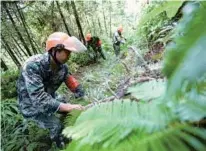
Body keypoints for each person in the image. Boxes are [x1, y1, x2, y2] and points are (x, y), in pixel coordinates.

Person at [17, 32, 87, 148]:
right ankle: (61, 145)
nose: (69, 55)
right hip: (31, 105)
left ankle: (69, 129)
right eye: (67, 51)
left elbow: (71, 82)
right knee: (56, 125)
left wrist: (82, 95)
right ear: (55, 50)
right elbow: (39, 99)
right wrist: (68, 106)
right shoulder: (33, 66)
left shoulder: (62, 67)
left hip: (49, 97)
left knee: (66, 106)